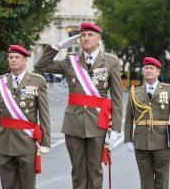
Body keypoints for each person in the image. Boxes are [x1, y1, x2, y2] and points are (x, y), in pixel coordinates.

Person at [34, 22, 123, 189]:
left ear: (99, 39)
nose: (86, 38)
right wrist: (58, 46)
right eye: (83, 35)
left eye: (90, 35)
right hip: (73, 124)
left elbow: (117, 98)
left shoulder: (111, 62)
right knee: (78, 171)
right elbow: (41, 66)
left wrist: (116, 129)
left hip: (98, 124)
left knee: (95, 170)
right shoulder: (71, 61)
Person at [0, 45, 51, 189]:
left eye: (17, 57)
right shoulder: (1, 82)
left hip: (26, 142)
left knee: (27, 185)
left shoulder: (37, 81)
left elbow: (44, 114)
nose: (13, 60)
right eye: (10, 57)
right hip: (5, 141)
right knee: (7, 185)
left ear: (25, 60)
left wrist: (45, 141)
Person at [124, 57, 170, 189]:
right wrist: (128, 139)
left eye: (152, 68)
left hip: (162, 140)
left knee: (162, 179)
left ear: (158, 72)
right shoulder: (135, 91)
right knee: (145, 180)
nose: (149, 70)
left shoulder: (168, 90)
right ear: (143, 71)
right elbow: (129, 117)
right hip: (141, 141)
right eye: (146, 68)